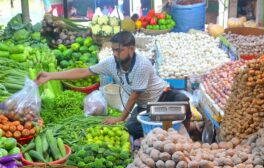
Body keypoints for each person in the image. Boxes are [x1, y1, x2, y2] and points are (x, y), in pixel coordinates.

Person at [36, 31, 191, 139]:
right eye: (113, 50)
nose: (115, 54)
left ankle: (189, 133)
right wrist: (50, 76)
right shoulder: (111, 63)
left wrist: (120, 118)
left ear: (131, 49)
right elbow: (84, 72)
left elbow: (134, 95)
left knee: (183, 100)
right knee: (132, 129)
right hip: (146, 106)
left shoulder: (142, 64)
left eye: (119, 50)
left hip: (163, 97)